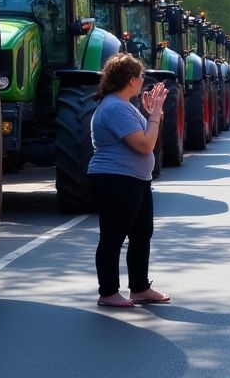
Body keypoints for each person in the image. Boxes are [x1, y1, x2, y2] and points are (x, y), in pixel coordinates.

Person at [87, 53, 172, 309]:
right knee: (113, 236)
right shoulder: (114, 107)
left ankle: (140, 287)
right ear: (132, 80)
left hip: (135, 179)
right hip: (116, 179)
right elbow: (145, 145)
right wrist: (155, 114)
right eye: (142, 76)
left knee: (141, 234)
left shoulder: (123, 106)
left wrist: (152, 115)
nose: (143, 81)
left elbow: (148, 135)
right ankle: (108, 291)